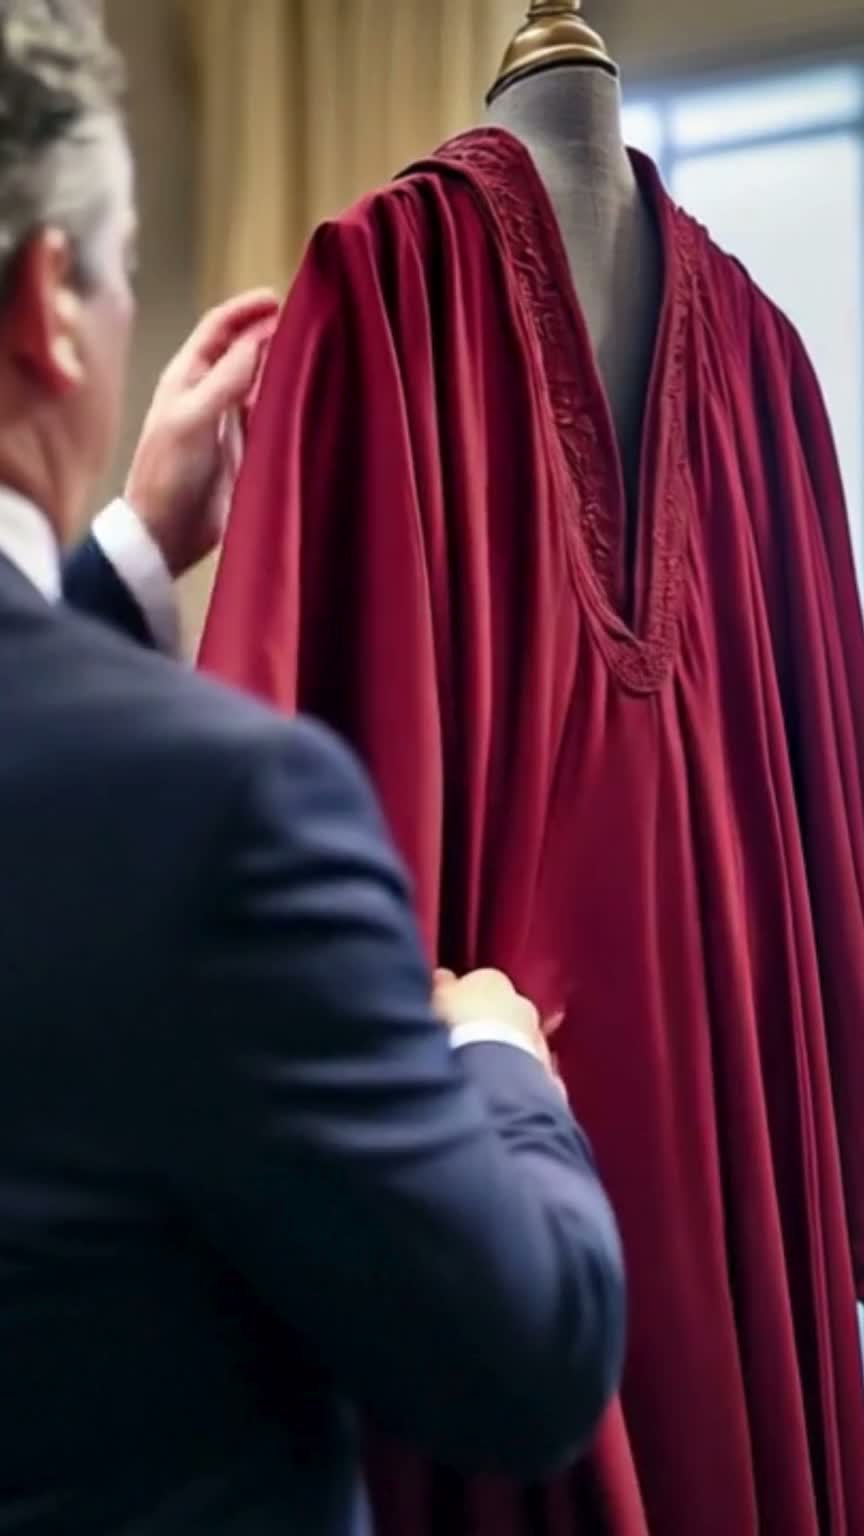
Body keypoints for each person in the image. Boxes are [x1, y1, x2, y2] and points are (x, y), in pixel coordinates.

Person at [0, 5, 626, 1534]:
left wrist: (129, 554)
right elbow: (527, 1362)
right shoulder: (227, 813)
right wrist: (502, 1064)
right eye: (125, 266)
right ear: (50, 304)